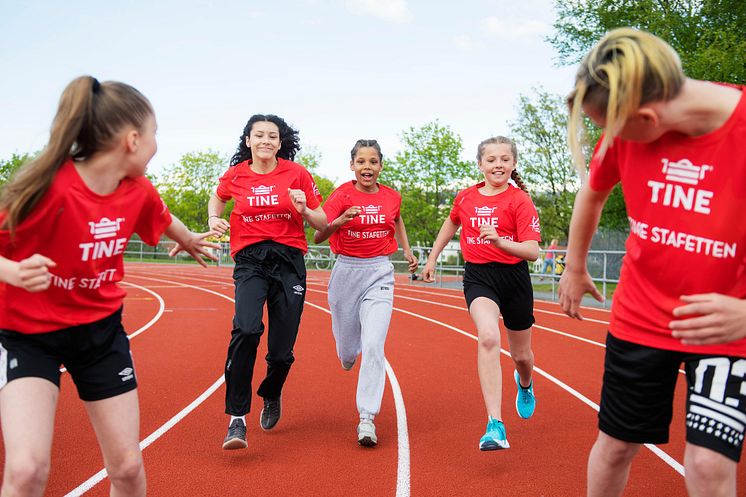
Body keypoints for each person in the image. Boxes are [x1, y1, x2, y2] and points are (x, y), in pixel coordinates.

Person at [0, 76, 218, 497]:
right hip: (30, 336)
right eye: (156, 135)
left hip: (99, 335)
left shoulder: (136, 190)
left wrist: (187, 238)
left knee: (128, 468)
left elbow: (162, 216)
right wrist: (10, 272)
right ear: (133, 140)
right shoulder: (48, 190)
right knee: (26, 471)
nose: (158, 145)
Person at [559, 27, 746, 497]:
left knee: (707, 464)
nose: (607, 138)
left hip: (728, 328)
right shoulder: (627, 130)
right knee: (616, 445)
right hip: (641, 318)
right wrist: (576, 266)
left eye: (610, 127)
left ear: (644, 115)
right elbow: (592, 193)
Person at [207, 114, 327, 450]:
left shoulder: (297, 174)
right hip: (250, 261)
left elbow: (323, 220)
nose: (265, 141)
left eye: (272, 136)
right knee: (245, 329)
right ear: (247, 140)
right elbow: (218, 196)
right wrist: (213, 217)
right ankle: (237, 418)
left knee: (280, 350)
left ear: (280, 141)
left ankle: (271, 391)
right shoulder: (236, 175)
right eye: (258, 135)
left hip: (288, 262)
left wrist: (304, 210)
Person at [421, 136, 541, 451]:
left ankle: (524, 383)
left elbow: (532, 251)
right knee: (488, 336)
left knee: (522, 356)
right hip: (479, 277)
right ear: (480, 165)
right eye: (491, 160)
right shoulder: (466, 198)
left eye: (504, 159)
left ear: (513, 164)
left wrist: (501, 242)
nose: (498, 164)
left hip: (514, 277)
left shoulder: (519, 201)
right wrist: (432, 258)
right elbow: (450, 224)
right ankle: (495, 425)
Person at [313, 139, 418, 447]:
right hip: (346, 272)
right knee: (347, 355)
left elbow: (397, 220)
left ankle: (367, 418)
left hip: (379, 273)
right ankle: (348, 352)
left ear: (381, 166)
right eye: (361, 162)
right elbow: (319, 236)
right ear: (352, 166)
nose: (367, 167)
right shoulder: (341, 195)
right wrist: (339, 221)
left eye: (373, 162)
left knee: (373, 345)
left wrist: (407, 251)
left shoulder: (392, 197)